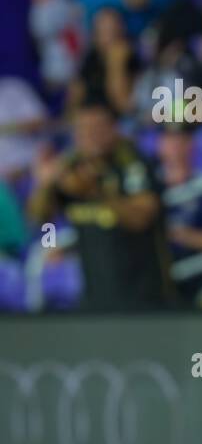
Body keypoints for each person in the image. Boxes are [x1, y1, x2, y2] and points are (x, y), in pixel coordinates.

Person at [26, 103, 171, 310]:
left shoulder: (132, 163)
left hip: (143, 296)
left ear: (114, 129)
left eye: (98, 127)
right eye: (83, 129)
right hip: (95, 298)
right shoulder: (71, 167)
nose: (90, 135)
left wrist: (95, 193)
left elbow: (142, 218)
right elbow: (38, 217)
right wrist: (45, 184)